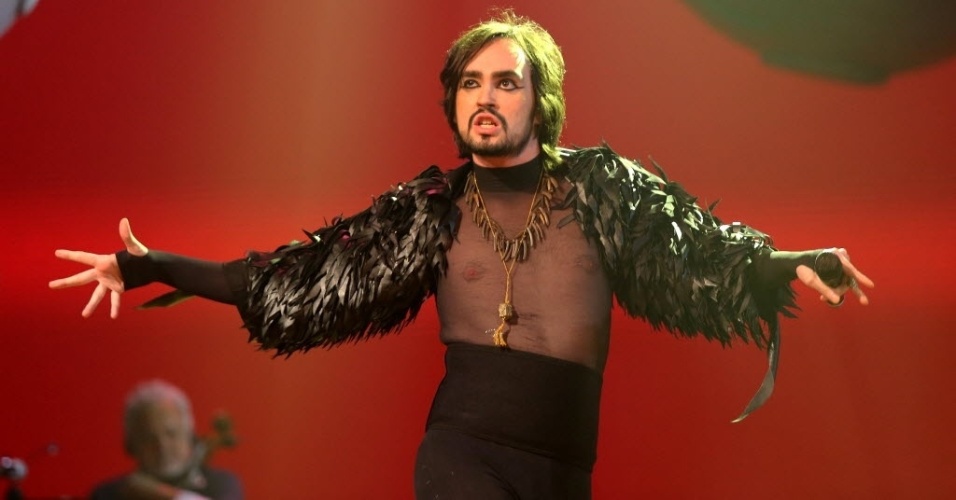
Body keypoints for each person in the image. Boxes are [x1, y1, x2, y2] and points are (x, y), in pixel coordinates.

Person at [51, 10, 873, 499]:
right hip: (461, 455)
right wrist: (152, 266)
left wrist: (786, 262)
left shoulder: (603, 191)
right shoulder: (430, 210)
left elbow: (696, 254)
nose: (484, 97)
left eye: (505, 82)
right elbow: (295, 279)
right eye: (471, 83)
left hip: (563, 467)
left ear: (540, 101)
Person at [90, 379, 243, 500]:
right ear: (130, 445)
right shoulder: (107, 495)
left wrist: (158, 493)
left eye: (171, 434)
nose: (162, 446)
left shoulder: (221, 484)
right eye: (149, 437)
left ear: (190, 435)